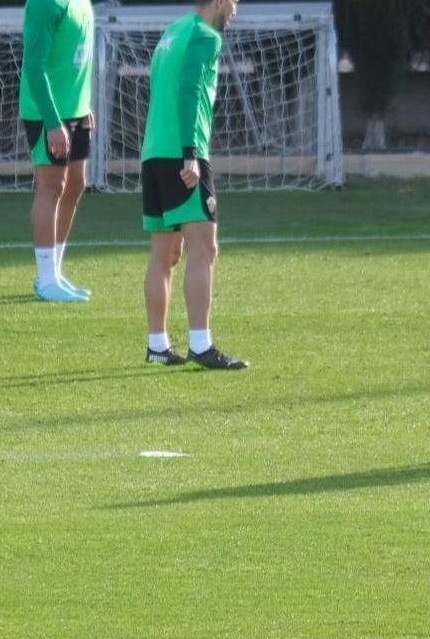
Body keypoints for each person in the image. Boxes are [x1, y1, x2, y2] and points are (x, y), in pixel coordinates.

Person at [141, 0, 248, 370]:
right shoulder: (205, 36)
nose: (236, 8)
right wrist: (190, 153)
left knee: (165, 256)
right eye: (233, 0)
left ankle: (157, 346)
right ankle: (201, 346)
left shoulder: (173, 31)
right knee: (205, 249)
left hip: (153, 152)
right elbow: (188, 90)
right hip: (183, 153)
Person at [20, 0, 95, 302]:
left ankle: (54, 274)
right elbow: (34, 66)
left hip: (75, 111)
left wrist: (84, 105)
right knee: (52, 186)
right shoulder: (44, 4)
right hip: (48, 113)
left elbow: (77, 60)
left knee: (76, 185)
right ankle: (47, 279)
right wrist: (53, 121)